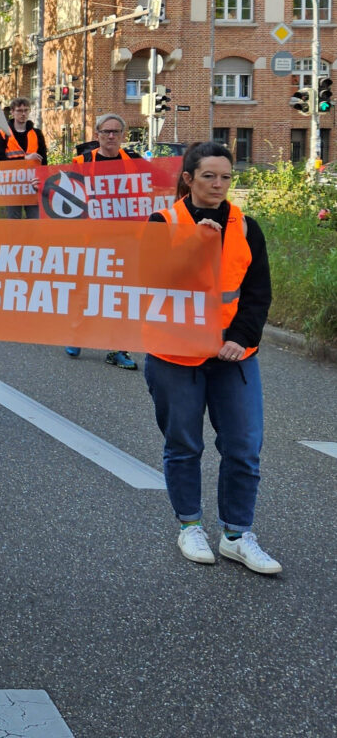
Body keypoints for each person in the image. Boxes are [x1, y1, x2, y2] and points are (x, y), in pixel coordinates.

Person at [145, 142, 279, 574]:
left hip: (233, 354)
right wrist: (195, 246)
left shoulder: (246, 226)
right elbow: (151, 284)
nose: (219, 184)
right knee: (184, 444)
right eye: (209, 176)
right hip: (174, 352)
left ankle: (237, 535)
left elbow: (257, 292)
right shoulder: (161, 223)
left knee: (243, 447)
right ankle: (190, 526)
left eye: (225, 176)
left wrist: (241, 337)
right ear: (188, 179)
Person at [63, 113, 142, 369]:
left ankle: (118, 349)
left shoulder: (136, 162)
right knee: (87, 291)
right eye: (106, 131)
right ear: (97, 134)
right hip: (92, 239)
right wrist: (39, 184)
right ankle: (77, 335)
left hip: (127, 239)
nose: (110, 136)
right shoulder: (82, 160)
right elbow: (65, 194)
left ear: (122, 135)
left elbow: (154, 190)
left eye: (115, 132)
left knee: (122, 296)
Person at [0, 97, 48, 220]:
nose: (23, 114)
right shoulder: (3, 134)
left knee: (35, 221)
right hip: (12, 184)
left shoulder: (37, 133)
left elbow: (44, 161)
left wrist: (44, 181)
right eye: (19, 110)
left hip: (33, 183)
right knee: (14, 222)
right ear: (12, 112)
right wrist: (25, 158)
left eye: (26, 110)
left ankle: (32, 240)